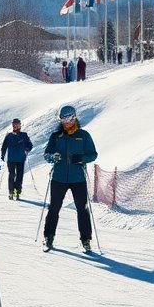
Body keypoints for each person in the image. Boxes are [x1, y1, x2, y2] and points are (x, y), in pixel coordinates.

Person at [42, 105, 98, 251]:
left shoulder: (83, 135)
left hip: (78, 178)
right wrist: (52, 157)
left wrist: (82, 158)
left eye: (69, 118)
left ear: (74, 117)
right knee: (54, 208)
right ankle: (48, 237)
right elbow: (47, 154)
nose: (66, 122)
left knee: (82, 209)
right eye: (63, 119)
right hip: (59, 178)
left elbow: (93, 154)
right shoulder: (56, 136)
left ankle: (86, 240)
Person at [0, 118, 33, 199]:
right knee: (11, 175)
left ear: (19, 125)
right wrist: (2, 155)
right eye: (13, 124)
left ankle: (17, 192)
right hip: (11, 159)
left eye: (16, 124)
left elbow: (30, 146)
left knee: (19, 176)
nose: (15, 126)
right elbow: (4, 146)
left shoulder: (24, 135)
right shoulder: (9, 135)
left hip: (21, 159)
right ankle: (11, 192)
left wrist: (25, 147)